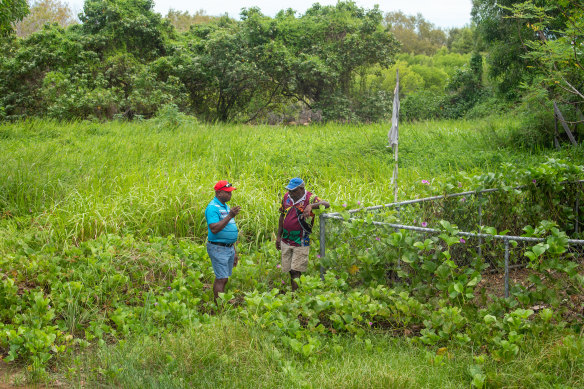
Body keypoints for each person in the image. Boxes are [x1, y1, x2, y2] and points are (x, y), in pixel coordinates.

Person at [276, 177, 329, 291]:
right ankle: (295, 292)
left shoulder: (310, 198)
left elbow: (326, 204)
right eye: (289, 190)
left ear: (301, 189)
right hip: (286, 239)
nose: (291, 193)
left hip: (301, 240)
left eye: (293, 190)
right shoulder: (286, 197)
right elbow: (281, 216)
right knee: (290, 269)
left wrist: (311, 206)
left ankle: (295, 295)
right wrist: (278, 236)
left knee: (296, 269)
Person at [205, 180, 240, 303]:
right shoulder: (212, 208)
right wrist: (230, 216)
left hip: (228, 248)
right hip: (218, 247)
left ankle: (221, 300)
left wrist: (234, 251)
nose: (230, 195)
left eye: (231, 192)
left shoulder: (225, 206)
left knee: (224, 278)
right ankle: (219, 306)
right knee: (221, 278)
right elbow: (214, 228)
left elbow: (229, 229)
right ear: (219, 193)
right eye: (227, 192)